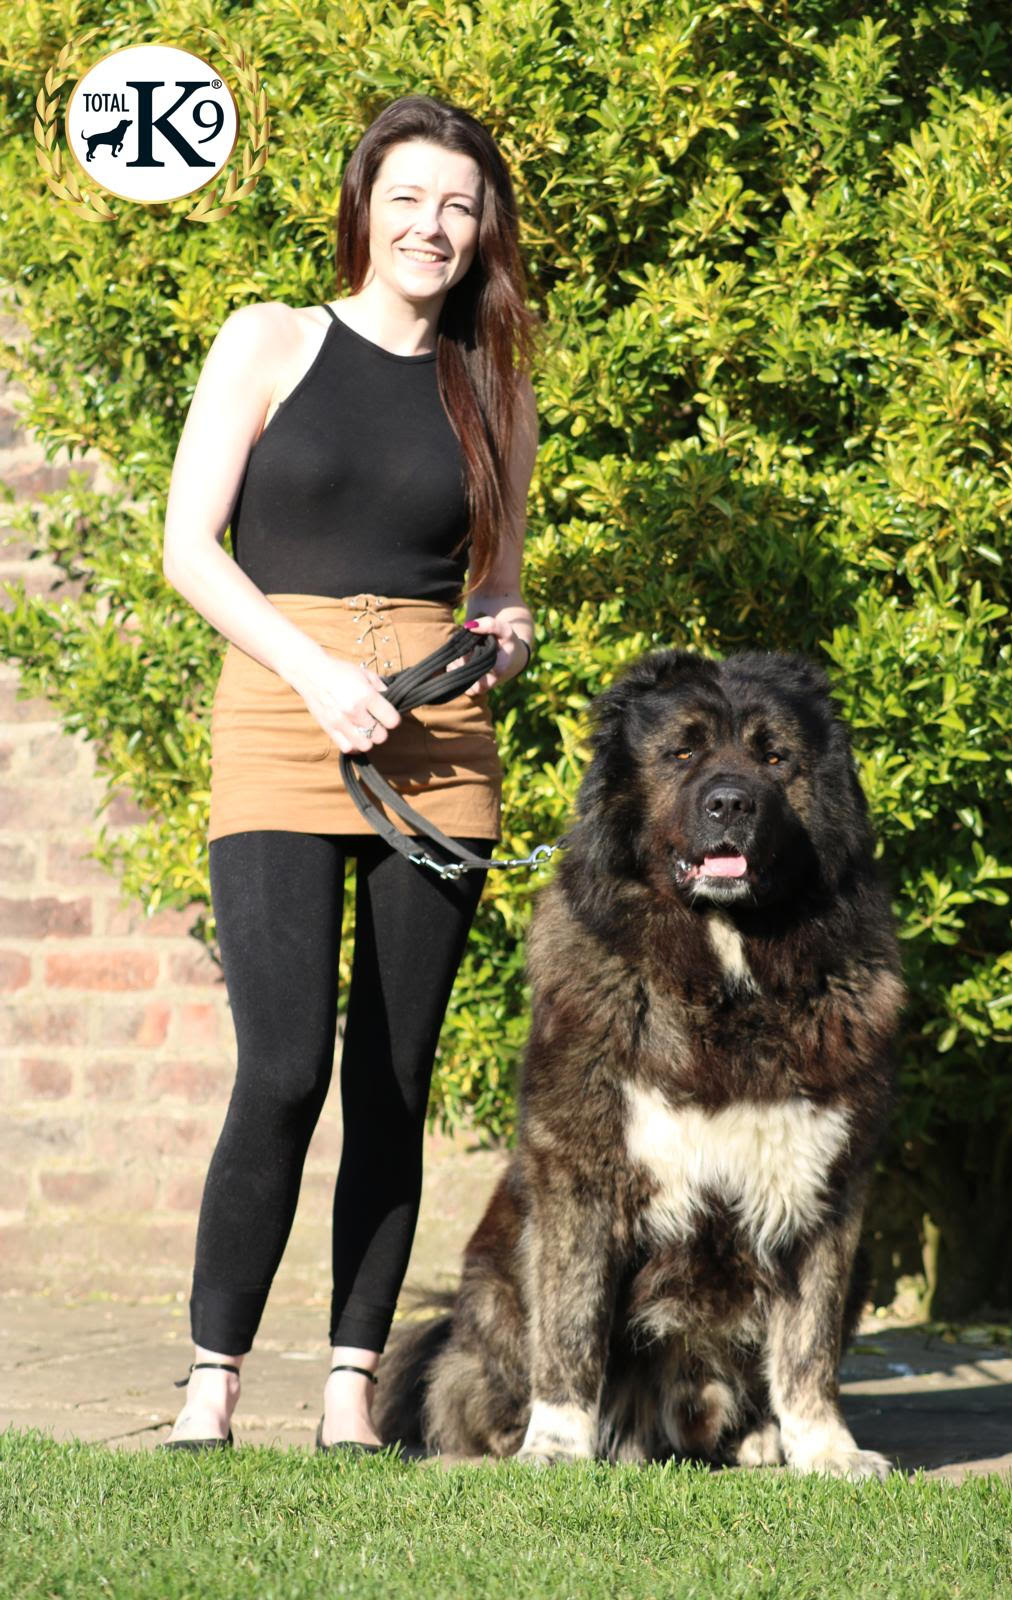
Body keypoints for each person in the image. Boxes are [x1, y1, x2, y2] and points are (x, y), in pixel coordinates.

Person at [158, 94, 539, 1450]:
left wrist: (507, 636)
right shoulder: (268, 341)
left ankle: (350, 1392)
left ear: (481, 224)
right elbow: (190, 547)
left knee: (397, 1070)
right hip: (282, 702)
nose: (436, 227)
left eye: (461, 205)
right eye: (412, 199)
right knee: (280, 1067)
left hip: (437, 744)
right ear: (363, 206)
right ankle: (211, 1387)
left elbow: (496, 585)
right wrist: (315, 672)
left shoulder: (492, 380)